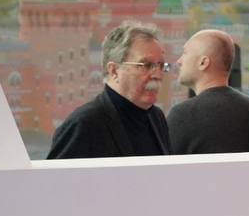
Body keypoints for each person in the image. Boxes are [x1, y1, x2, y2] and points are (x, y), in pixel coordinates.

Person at [47, 22, 170, 158]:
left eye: (161, 65)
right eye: (146, 65)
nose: (158, 75)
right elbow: (57, 172)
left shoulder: (156, 117)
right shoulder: (85, 124)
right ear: (114, 70)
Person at [168, 29, 249, 154]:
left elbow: (164, 163)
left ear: (203, 63)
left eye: (185, 53)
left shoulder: (183, 114)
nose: (179, 61)